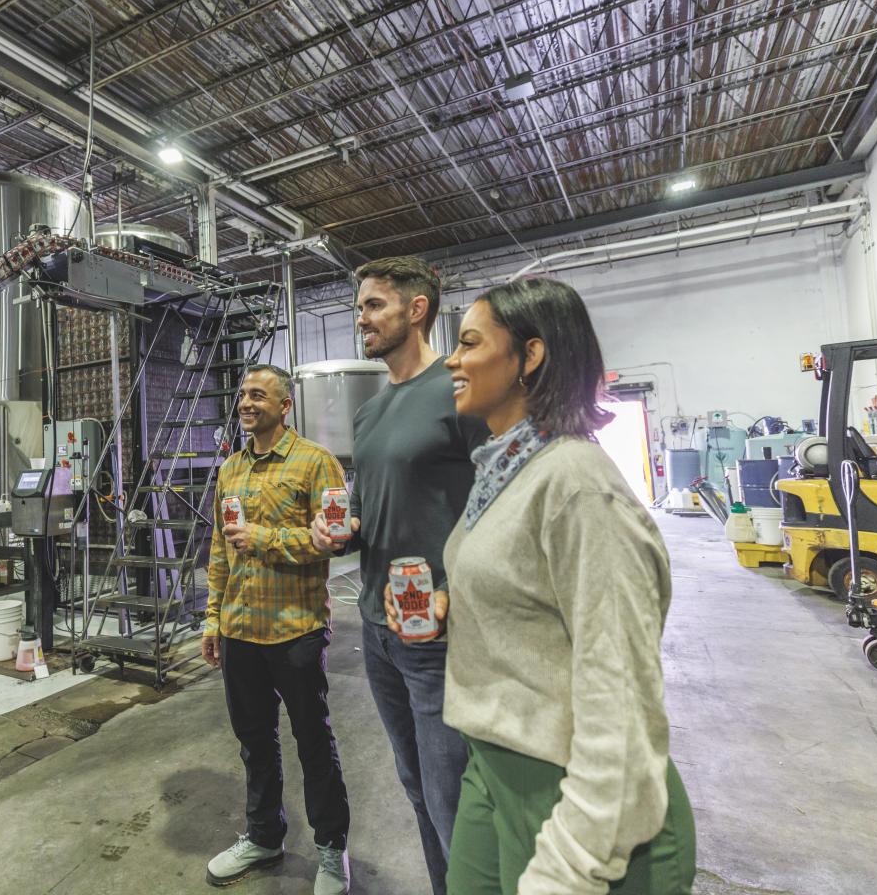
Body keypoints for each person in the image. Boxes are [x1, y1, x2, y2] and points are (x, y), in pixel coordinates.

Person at [388, 276, 695, 894]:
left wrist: (576, 861)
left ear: (530, 355)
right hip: (492, 764)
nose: (451, 359)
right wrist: (457, 600)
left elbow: (623, 695)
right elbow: (519, 577)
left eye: (470, 342)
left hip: (580, 792)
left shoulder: (578, 484)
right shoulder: (506, 468)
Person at [310, 255, 489, 895]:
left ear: (416, 310)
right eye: (360, 306)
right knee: (415, 787)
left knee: (454, 798)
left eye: (373, 306)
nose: (361, 318)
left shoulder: (459, 387)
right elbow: (367, 507)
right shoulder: (372, 409)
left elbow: (500, 502)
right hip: (378, 627)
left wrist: (456, 590)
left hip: (438, 632)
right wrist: (338, 532)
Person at [201, 364, 352, 895]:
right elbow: (220, 549)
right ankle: (265, 835)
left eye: (258, 395)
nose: (246, 402)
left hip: (295, 630)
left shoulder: (316, 463)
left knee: (313, 742)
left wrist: (262, 538)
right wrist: (213, 617)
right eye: (243, 394)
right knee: (254, 743)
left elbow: (330, 541)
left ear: (284, 405)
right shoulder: (230, 470)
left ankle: (332, 851)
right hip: (241, 629)